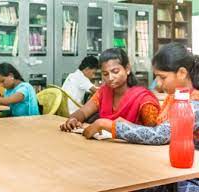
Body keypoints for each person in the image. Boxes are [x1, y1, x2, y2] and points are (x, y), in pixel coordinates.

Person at [82, 43, 199, 192]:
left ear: (182, 73)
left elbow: (160, 135)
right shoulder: (174, 97)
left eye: (162, 77)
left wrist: (107, 125)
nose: (158, 83)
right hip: (174, 169)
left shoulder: (194, 103)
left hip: (190, 177)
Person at [60, 48, 160, 132]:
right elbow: (83, 112)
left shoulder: (143, 100)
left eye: (115, 72)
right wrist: (73, 119)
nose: (110, 78)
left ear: (127, 69)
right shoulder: (103, 92)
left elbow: (155, 133)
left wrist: (109, 126)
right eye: (105, 74)